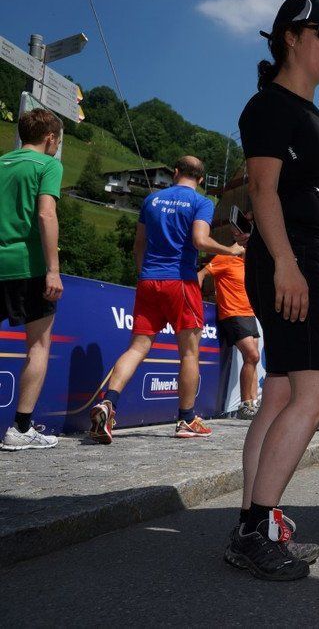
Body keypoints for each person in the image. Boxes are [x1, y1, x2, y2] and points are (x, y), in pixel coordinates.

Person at [224, 0, 319, 582]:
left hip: (316, 259)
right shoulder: (271, 106)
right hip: (295, 261)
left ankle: (248, 524)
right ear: (290, 38)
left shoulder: (308, 112)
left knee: (280, 393)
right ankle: (257, 528)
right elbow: (262, 190)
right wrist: (285, 264)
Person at [89, 156, 242, 446]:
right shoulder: (201, 202)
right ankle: (186, 419)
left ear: (175, 172)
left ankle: (109, 403)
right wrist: (231, 251)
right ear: (200, 179)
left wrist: (144, 274)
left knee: (137, 348)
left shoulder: (152, 200)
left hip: (149, 280)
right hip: (181, 281)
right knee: (189, 353)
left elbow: (139, 245)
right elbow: (200, 240)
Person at [0, 109, 64, 451]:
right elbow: (45, 213)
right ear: (50, 138)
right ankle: (21, 429)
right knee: (38, 346)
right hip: (28, 266)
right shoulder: (47, 165)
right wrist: (53, 269)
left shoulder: (1, 162)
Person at [197, 245, 261, 420]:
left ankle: (253, 403)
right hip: (232, 314)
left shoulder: (249, 264)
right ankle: (245, 405)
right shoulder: (224, 258)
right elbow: (201, 274)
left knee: (253, 360)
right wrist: (194, 299)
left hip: (249, 314)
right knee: (253, 355)